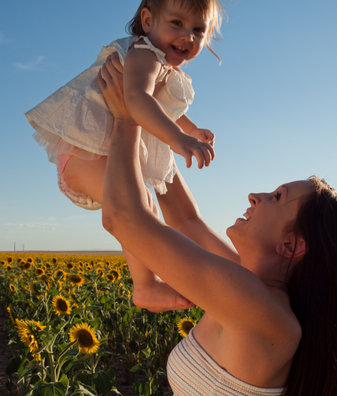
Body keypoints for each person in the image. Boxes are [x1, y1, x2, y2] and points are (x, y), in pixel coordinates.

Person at [97, 54, 337, 396]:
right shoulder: (247, 286)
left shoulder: (263, 313)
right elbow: (185, 219)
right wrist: (152, 113)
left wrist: (126, 119)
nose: (255, 195)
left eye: (277, 196)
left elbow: (124, 218)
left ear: (291, 245)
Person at [25, 0, 223, 309]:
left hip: (95, 153)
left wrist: (192, 129)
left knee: (143, 204)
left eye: (198, 29)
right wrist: (179, 139)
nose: (188, 37)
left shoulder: (159, 65)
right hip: (86, 153)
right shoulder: (144, 54)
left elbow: (160, 105)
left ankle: (158, 280)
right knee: (138, 206)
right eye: (176, 24)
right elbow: (136, 99)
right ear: (147, 21)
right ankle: (145, 285)